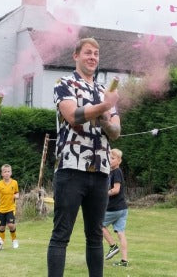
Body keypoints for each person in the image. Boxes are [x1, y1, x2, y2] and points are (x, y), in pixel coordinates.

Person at [47, 37, 121, 277]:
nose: (93, 57)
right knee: (61, 235)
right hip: (71, 168)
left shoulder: (105, 91)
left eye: (96, 54)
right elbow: (72, 115)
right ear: (76, 56)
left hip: (100, 171)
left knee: (95, 236)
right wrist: (103, 108)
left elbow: (116, 132)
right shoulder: (64, 83)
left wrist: (106, 121)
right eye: (88, 53)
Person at [102, 148, 129, 268]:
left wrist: (103, 193)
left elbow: (116, 190)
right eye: (109, 157)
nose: (110, 160)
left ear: (119, 161)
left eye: (113, 158)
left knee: (98, 225)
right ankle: (124, 261)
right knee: (121, 233)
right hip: (123, 208)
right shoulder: (111, 172)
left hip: (115, 208)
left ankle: (113, 246)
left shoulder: (117, 172)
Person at [0, 163, 20, 248]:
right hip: (1, 209)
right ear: (2, 174)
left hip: (11, 208)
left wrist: (16, 196)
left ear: (11, 173)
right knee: (1, 228)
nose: (7, 173)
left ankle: (14, 240)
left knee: (10, 225)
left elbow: (17, 193)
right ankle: (1, 243)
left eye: (8, 171)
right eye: (5, 171)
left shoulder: (14, 183)